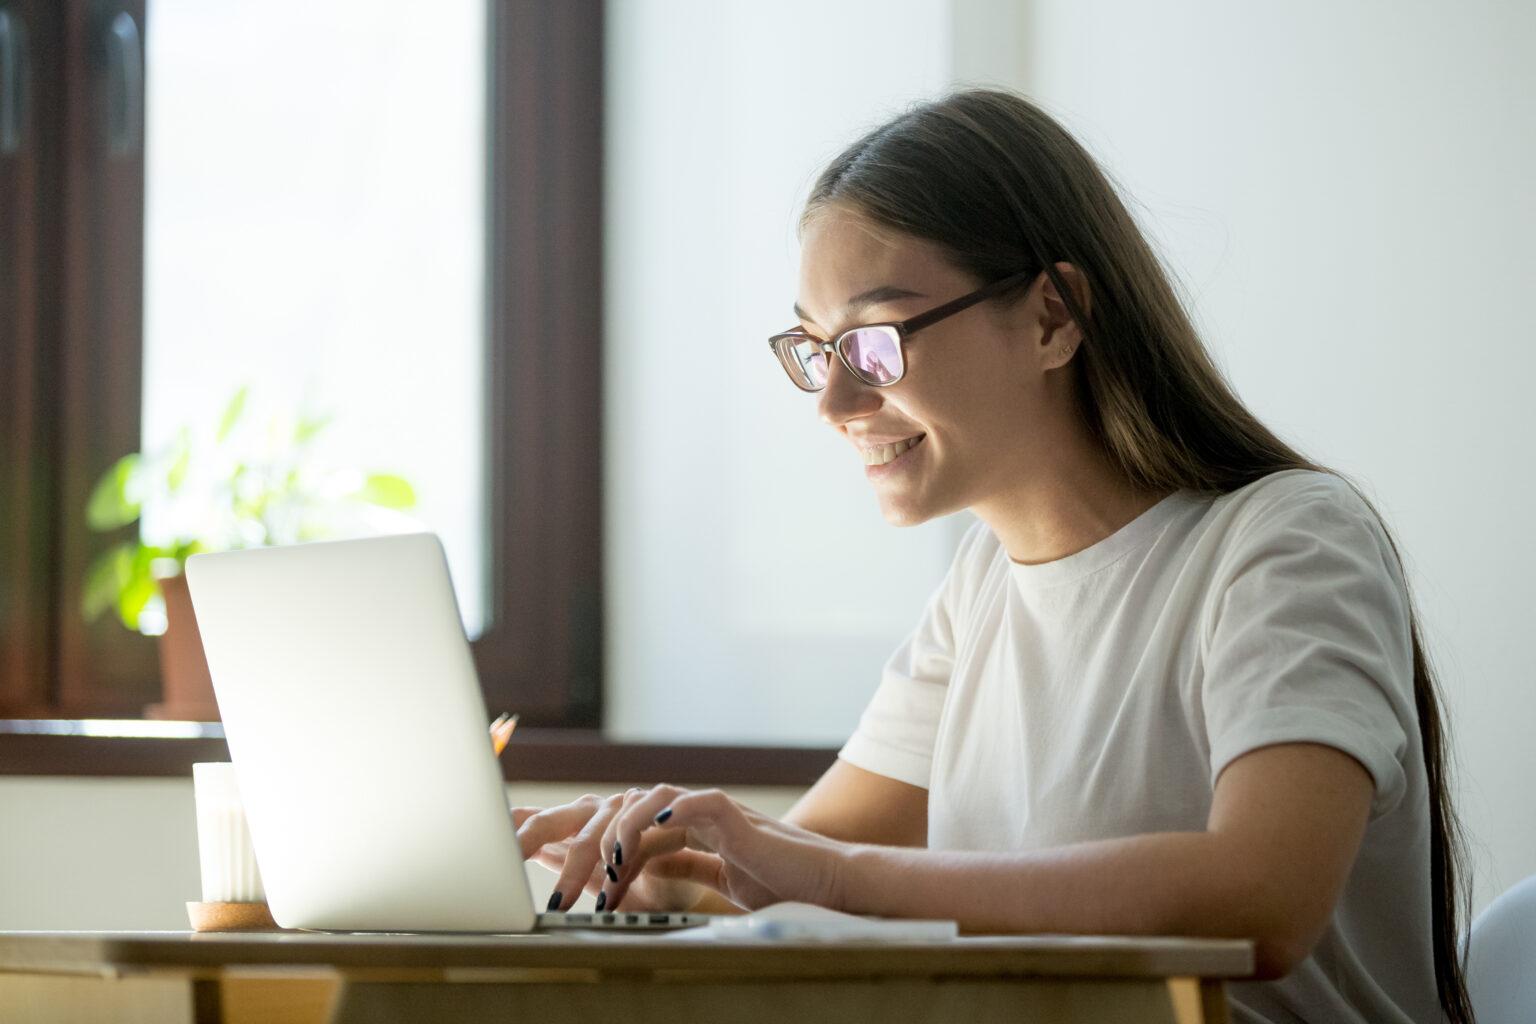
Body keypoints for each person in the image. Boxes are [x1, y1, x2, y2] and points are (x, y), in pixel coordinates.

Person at [513, 89, 1473, 1024]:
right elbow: (786, 869)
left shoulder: (1288, 540)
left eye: (876, 342)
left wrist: (828, 877)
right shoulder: (981, 586)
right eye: (816, 350)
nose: (836, 404)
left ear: (1054, 316)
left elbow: (1261, 901)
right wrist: (651, 865)